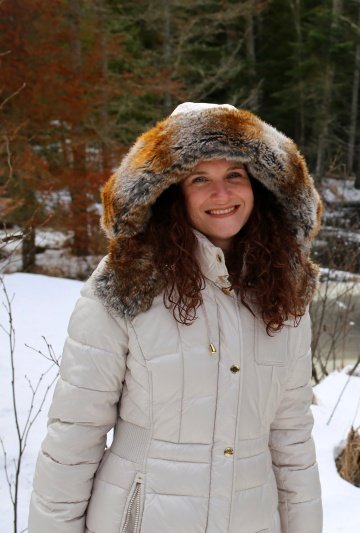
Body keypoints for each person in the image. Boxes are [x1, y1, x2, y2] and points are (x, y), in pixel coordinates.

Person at [28, 103, 323, 533]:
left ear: (258, 185)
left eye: (234, 176)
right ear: (171, 192)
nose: (221, 195)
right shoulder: (126, 283)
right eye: (200, 179)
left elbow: (292, 440)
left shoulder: (284, 292)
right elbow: (74, 436)